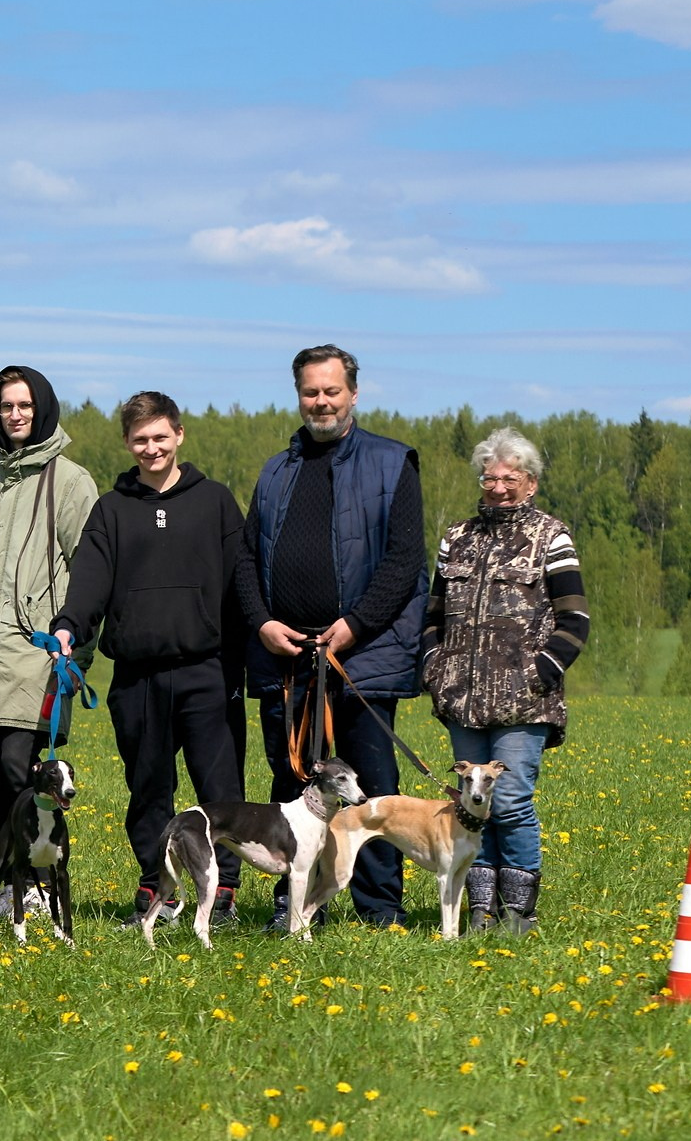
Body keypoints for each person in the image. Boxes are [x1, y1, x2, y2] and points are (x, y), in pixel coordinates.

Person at [238, 345, 427, 929]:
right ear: (298, 395)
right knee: (294, 785)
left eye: (331, 391)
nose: (321, 402)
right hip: (289, 662)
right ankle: (296, 908)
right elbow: (245, 559)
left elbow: (403, 562)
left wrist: (354, 626)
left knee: (370, 790)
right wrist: (264, 623)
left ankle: (379, 909)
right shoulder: (277, 470)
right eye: (310, 392)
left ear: (353, 393)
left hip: (362, 658)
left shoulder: (393, 463)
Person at [49, 392, 251, 928]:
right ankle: (157, 888)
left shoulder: (215, 501)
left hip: (209, 670)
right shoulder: (112, 510)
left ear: (179, 435)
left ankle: (222, 892)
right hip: (137, 676)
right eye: (140, 439)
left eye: (160, 436)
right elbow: (90, 581)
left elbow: (242, 582)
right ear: (127, 443)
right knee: (148, 788)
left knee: (221, 791)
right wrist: (69, 626)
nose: (151, 447)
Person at [0, 367, 98, 921]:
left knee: (19, 768)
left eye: (25, 405)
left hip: (36, 656)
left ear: (44, 407)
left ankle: (39, 881)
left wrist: (74, 651)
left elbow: (91, 570)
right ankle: (11, 882)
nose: (15, 415)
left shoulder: (71, 480)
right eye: (6, 405)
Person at [421, 427, 586, 933]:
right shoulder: (457, 536)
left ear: (530, 483)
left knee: (509, 804)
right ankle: (480, 913)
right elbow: (433, 613)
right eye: (489, 477)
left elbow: (574, 618)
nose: (497, 487)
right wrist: (433, 664)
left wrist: (541, 673)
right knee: (471, 810)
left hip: (525, 704)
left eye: (508, 478)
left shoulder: (550, 535)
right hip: (462, 700)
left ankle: (519, 915)